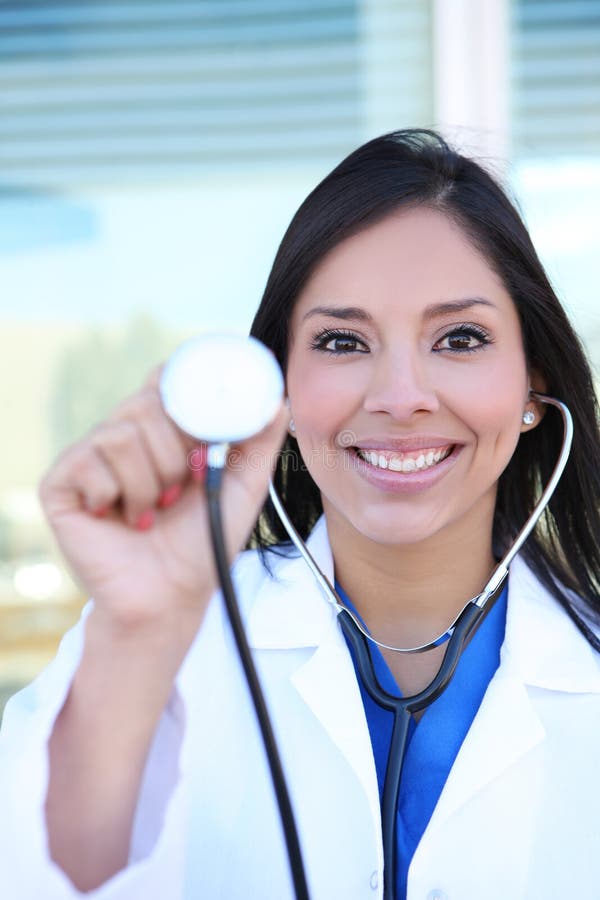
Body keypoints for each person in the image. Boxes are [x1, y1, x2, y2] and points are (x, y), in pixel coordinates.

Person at [1, 129, 600, 900]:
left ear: (531, 386)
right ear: (277, 385)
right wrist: (140, 636)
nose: (399, 395)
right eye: (344, 341)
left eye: (460, 337)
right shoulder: (157, 643)